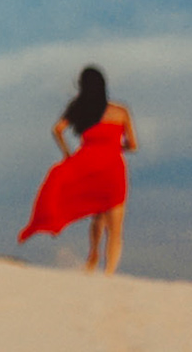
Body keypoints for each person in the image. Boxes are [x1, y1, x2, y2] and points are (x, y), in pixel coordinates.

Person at [18, 65, 139, 273]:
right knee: (115, 227)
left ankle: (93, 254)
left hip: (88, 163)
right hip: (113, 168)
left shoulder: (81, 108)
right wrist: (115, 146)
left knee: (98, 214)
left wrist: (67, 154)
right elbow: (133, 145)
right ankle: (108, 273)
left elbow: (57, 130)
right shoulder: (121, 111)